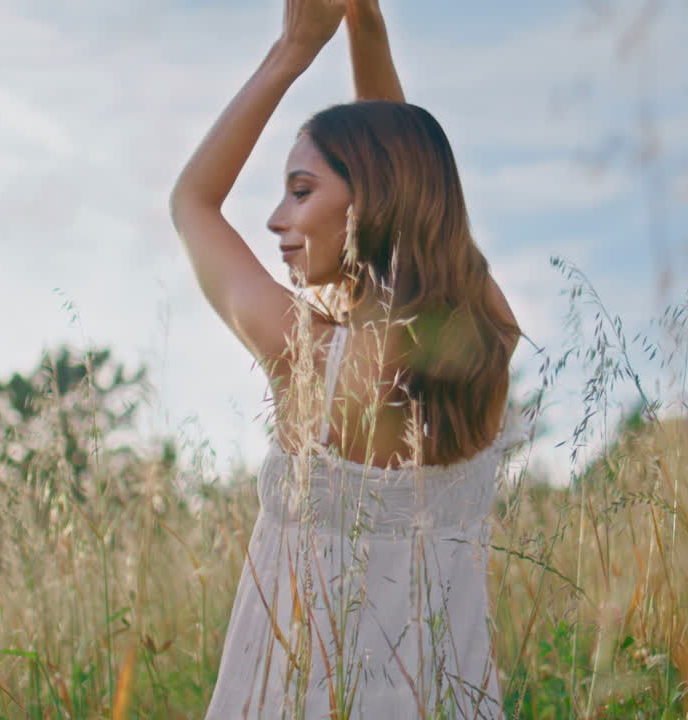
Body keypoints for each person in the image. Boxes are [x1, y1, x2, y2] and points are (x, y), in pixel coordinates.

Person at [169, 0, 523, 717]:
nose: (276, 218)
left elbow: (193, 203)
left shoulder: (305, 355)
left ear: (376, 200)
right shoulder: (489, 336)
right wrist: (366, 26)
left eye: (301, 192)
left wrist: (292, 50)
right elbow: (411, 172)